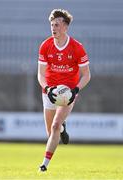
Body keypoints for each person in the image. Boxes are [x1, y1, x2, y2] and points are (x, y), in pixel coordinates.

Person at [37, 9, 91, 172]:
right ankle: (62, 129)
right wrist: (47, 88)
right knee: (51, 132)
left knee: (54, 126)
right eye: (52, 25)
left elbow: (86, 75)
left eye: (58, 25)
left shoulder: (77, 47)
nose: (54, 28)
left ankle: (44, 165)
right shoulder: (45, 45)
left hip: (68, 93)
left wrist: (75, 90)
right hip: (49, 91)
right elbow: (40, 73)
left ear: (66, 27)